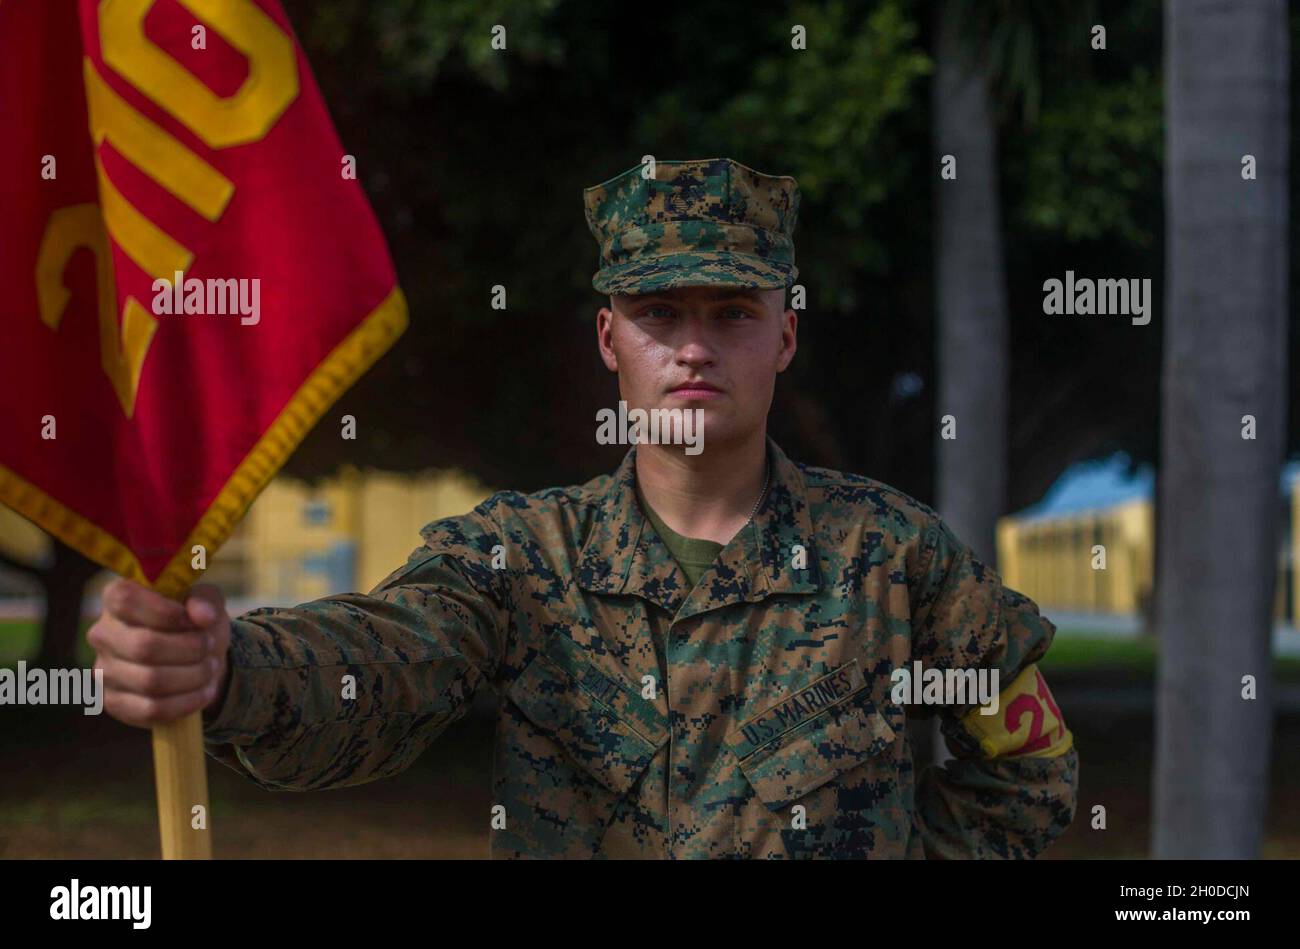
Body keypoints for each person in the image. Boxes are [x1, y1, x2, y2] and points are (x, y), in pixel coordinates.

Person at [89, 158, 1078, 859]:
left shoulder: (896, 557)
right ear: (611, 339)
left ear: (783, 337)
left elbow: (1027, 768)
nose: (694, 348)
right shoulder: (525, 557)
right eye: (660, 315)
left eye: (732, 313)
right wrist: (231, 670)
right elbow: (382, 664)